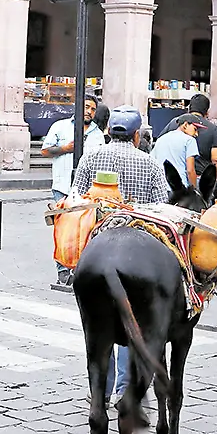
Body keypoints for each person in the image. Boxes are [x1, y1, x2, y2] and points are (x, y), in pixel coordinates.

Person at [70, 106, 170, 408]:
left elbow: (76, 200)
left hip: (97, 245)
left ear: (107, 131)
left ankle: (101, 386)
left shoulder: (89, 158)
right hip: (139, 249)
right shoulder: (149, 163)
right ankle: (127, 387)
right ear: (137, 136)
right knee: (134, 320)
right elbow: (162, 206)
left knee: (96, 322)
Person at [42, 96, 105, 286]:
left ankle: (80, 269)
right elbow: (44, 151)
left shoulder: (97, 134)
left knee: (85, 230)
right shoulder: (60, 126)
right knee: (63, 230)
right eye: (86, 107)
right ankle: (62, 271)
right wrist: (65, 148)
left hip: (87, 190)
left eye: (93, 109)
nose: (89, 111)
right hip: (63, 187)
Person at [160, 94, 217, 195]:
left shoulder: (174, 123)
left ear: (189, 108)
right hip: (199, 179)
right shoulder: (212, 129)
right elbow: (216, 159)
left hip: (170, 178)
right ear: (207, 112)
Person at [150, 114, 205, 189]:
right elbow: (190, 170)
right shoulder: (189, 140)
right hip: (179, 188)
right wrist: (194, 190)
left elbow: (152, 162)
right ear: (185, 125)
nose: (196, 134)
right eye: (195, 129)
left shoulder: (161, 139)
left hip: (160, 186)